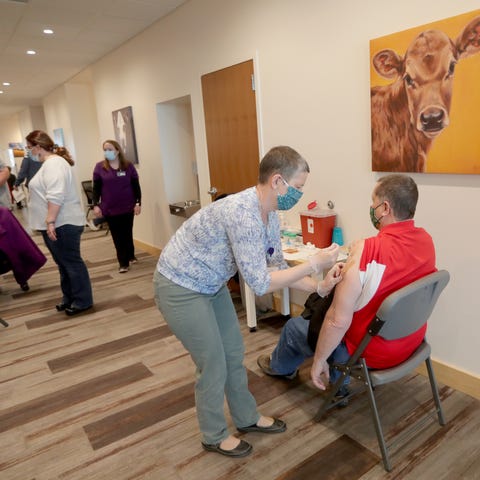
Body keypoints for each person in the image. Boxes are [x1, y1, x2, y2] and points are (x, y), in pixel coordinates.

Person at [153, 146, 341, 458]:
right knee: (212, 362)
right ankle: (213, 435)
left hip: (211, 284)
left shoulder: (270, 216)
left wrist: (319, 287)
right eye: (297, 187)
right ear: (277, 181)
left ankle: (246, 417)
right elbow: (260, 284)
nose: (299, 194)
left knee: (233, 353)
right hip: (180, 285)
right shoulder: (242, 213)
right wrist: (314, 264)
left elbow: (277, 269)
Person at [257, 174, 436, 399]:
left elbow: (337, 321)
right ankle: (337, 377)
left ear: (385, 208)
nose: (371, 207)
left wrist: (319, 361)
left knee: (294, 328)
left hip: (369, 353)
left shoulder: (369, 250)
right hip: (411, 343)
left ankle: (286, 369)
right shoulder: (426, 241)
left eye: (373, 202)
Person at [26, 130, 93, 316]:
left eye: (29, 148)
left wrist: (50, 221)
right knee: (63, 263)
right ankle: (70, 297)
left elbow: (55, 195)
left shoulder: (54, 164)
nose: (29, 151)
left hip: (62, 223)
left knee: (71, 263)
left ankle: (83, 301)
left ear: (39, 147)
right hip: (57, 223)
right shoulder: (49, 164)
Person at [92, 139, 141, 273]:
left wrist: (138, 203)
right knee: (117, 235)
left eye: (110, 149)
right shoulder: (99, 167)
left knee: (127, 232)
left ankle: (130, 254)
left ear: (117, 151)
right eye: (105, 150)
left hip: (127, 206)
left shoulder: (128, 166)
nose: (107, 152)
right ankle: (123, 262)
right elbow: (96, 188)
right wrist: (95, 205)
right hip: (110, 208)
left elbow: (136, 186)